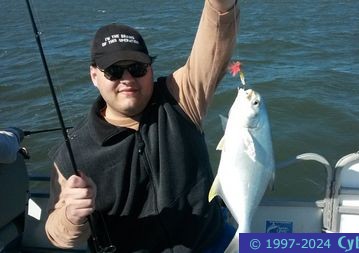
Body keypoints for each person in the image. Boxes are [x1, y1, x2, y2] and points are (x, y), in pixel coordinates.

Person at [45, 0, 239, 252]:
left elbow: (214, 44)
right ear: (94, 75)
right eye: (114, 71)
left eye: (137, 68)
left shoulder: (181, 97)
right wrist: (72, 215)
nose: (127, 79)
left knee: (301, 246)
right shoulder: (72, 154)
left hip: (217, 241)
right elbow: (55, 234)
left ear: (150, 69)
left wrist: (221, 4)